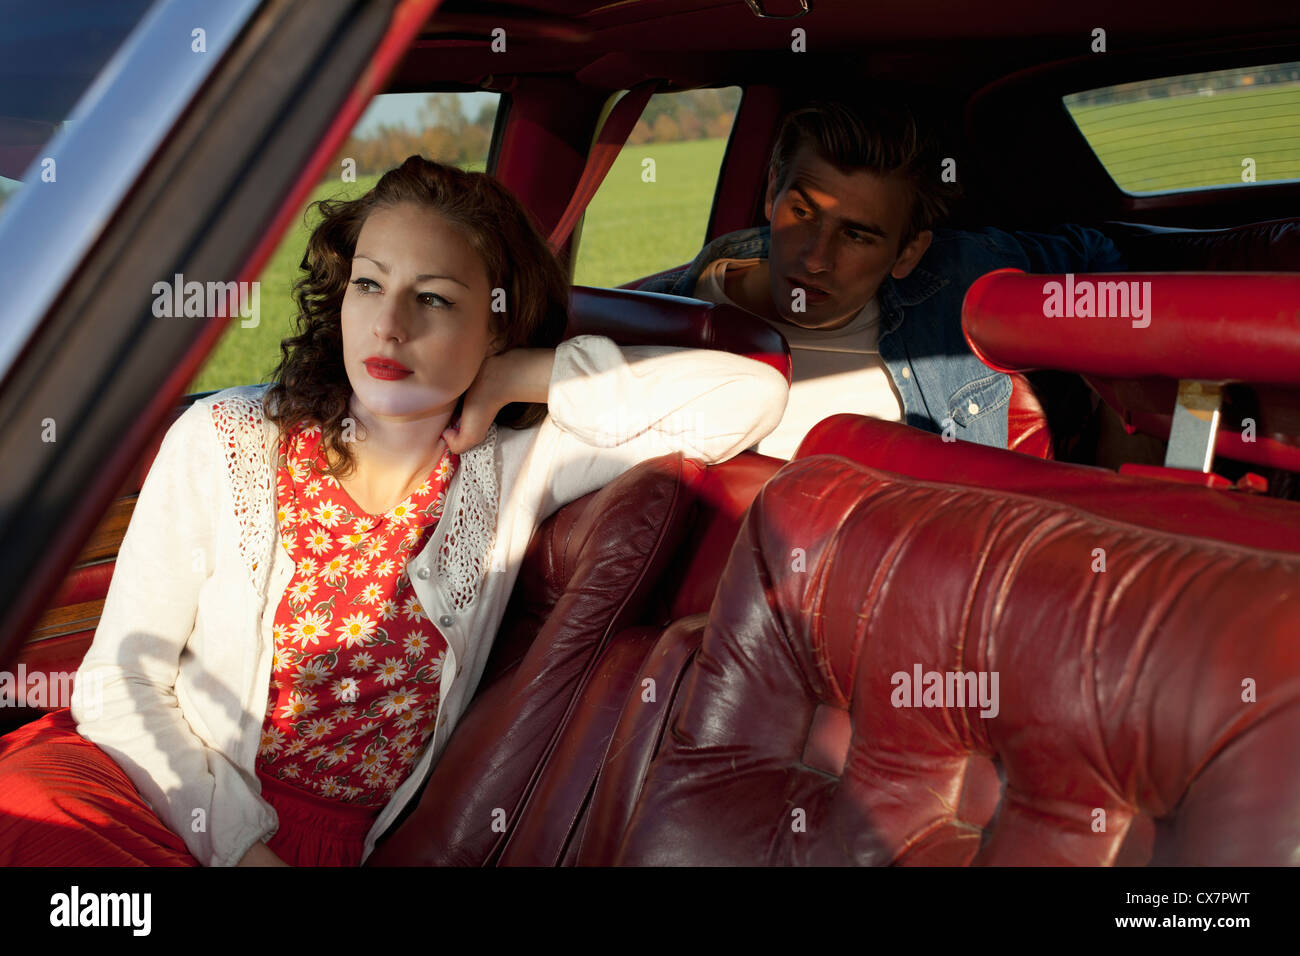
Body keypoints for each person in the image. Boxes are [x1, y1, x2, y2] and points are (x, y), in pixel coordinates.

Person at [0, 155, 788, 867]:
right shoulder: (224, 438)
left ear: (499, 320)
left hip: (327, 843)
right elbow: (116, 684)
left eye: (435, 299)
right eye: (369, 284)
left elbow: (751, 397)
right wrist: (238, 846)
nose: (389, 325)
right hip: (153, 789)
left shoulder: (519, 465)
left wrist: (522, 375)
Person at [638, 98, 1127, 458]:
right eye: (802, 211)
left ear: (908, 252)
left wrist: (1114, 392)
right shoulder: (657, 315)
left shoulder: (957, 274)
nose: (814, 259)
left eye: (857, 236)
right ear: (771, 194)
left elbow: (1093, 252)